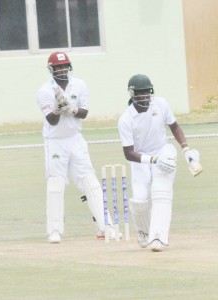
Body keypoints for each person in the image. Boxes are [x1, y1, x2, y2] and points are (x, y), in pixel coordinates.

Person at [37, 51, 118, 243]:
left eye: (65, 66)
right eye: (58, 67)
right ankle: (55, 231)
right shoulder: (44, 91)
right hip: (55, 141)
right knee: (56, 183)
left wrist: (72, 109)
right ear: (52, 69)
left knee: (89, 180)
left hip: (75, 138)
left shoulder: (80, 84)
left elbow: (84, 113)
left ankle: (106, 226)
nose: (62, 70)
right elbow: (51, 120)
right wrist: (57, 108)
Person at [118, 74, 203, 252]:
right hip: (140, 158)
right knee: (140, 200)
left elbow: (174, 125)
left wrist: (186, 149)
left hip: (163, 151)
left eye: (147, 93)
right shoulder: (126, 119)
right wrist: (151, 160)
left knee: (161, 190)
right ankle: (144, 232)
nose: (144, 97)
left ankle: (159, 237)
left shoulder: (161, 104)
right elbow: (128, 153)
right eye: (140, 94)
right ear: (131, 94)